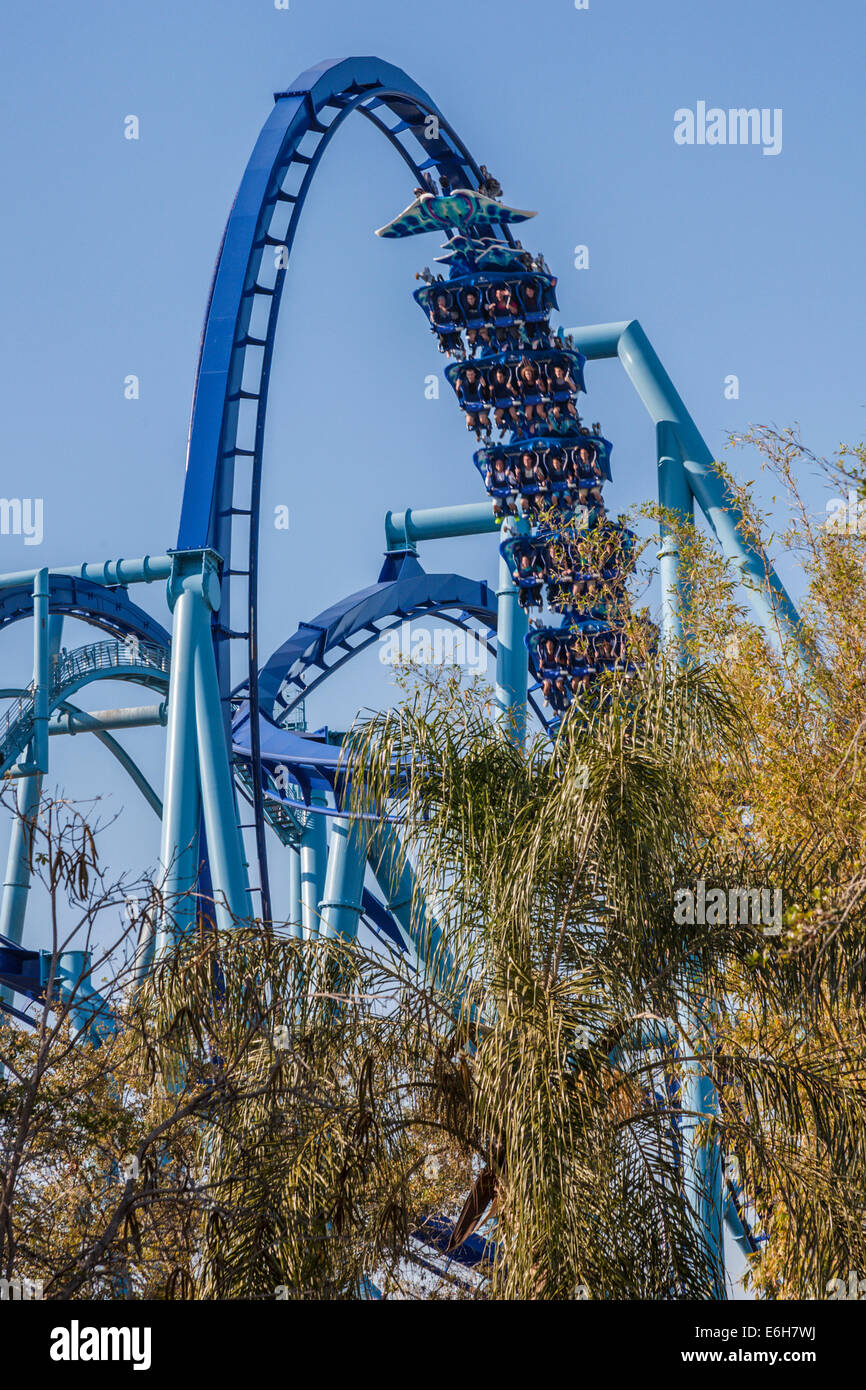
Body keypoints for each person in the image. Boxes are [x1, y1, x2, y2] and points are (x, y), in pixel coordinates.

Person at [456, 365, 490, 440]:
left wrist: (484, 386)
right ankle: (477, 430)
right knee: (469, 422)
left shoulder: (480, 382)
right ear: (466, 375)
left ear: (475, 374)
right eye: (468, 375)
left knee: (483, 420)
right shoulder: (463, 384)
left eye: (472, 375)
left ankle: (488, 425)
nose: (470, 376)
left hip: (481, 405)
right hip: (470, 406)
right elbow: (460, 397)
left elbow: (487, 396)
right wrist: (457, 389)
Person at [489, 364, 518, 431]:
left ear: (504, 377)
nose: (499, 378)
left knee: (513, 414)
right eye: (498, 377)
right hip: (500, 406)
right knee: (496, 417)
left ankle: (518, 425)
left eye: (501, 377)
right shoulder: (495, 385)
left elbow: (516, 395)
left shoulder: (509, 383)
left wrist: (511, 389)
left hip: (510, 404)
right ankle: (504, 426)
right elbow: (492, 398)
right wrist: (491, 391)